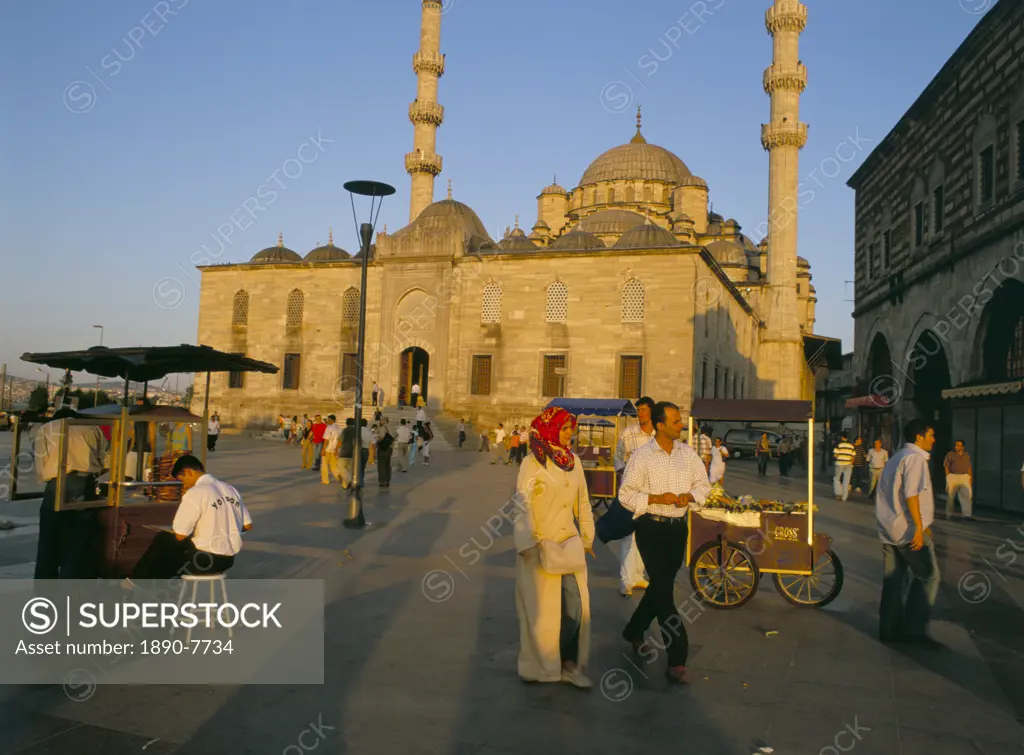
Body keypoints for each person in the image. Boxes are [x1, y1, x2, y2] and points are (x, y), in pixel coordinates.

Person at [619, 402, 710, 684]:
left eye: (680, 421)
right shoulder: (642, 456)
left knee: (659, 586)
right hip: (650, 528)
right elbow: (626, 495)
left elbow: (703, 485)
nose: (680, 425)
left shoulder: (688, 454)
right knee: (664, 592)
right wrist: (657, 498)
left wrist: (689, 496)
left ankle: (634, 630)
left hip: (677, 529)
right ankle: (678, 657)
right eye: (675, 421)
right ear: (660, 425)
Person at [513, 407, 595, 688]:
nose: (569, 434)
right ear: (549, 429)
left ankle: (568, 663)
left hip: (568, 545)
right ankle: (541, 666)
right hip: (539, 545)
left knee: (575, 606)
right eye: (563, 429)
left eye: (570, 428)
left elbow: (583, 502)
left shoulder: (574, 462)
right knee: (542, 613)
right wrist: (526, 543)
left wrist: (587, 537)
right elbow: (522, 504)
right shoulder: (531, 464)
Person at [130, 455, 251, 580]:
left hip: (204, 560)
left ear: (188, 472)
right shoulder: (230, 489)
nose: (185, 486)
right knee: (169, 550)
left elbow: (180, 535)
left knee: (164, 540)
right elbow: (247, 525)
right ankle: (152, 583)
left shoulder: (196, 493)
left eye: (183, 481)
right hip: (228, 560)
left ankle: (137, 581)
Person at [876, 419, 940, 647]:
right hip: (907, 531)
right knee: (928, 576)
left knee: (895, 580)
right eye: (931, 434)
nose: (934, 439)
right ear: (919, 437)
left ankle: (889, 630)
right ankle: (914, 630)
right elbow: (911, 495)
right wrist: (918, 528)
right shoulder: (915, 459)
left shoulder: (896, 458)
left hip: (889, 529)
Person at [34, 409, 106, 578]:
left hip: (57, 484)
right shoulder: (93, 429)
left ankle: (45, 587)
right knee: (78, 540)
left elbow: (40, 463)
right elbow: (106, 459)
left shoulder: (46, 428)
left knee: (48, 539)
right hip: (85, 485)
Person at [614, 396, 655, 598]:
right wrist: (623, 473)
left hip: (652, 493)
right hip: (632, 491)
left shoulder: (659, 435)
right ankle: (625, 580)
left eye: (644, 410)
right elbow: (618, 456)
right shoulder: (629, 433)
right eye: (639, 410)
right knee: (628, 535)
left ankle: (637, 575)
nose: (641, 414)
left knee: (645, 535)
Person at [943, 440, 974, 520]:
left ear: (962, 447)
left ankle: (967, 515)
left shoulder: (966, 455)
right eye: (956, 445)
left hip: (964, 476)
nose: (957, 447)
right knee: (950, 496)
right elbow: (946, 465)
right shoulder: (950, 454)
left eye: (959, 445)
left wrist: (970, 476)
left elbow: (969, 466)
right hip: (953, 476)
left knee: (967, 496)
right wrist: (948, 475)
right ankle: (949, 514)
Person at [320, 415, 344, 485]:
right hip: (334, 449)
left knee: (324, 465)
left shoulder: (329, 428)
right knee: (333, 465)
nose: (327, 421)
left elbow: (326, 439)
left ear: (332, 420)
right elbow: (341, 440)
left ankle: (325, 480)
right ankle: (338, 477)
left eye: (328, 420)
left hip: (328, 449)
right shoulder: (339, 428)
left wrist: (323, 449)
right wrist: (337, 449)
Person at [833, 433, 855, 500]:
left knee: (837, 479)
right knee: (846, 481)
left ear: (842, 437)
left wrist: (839, 457)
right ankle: (845, 497)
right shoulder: (851, 446)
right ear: (847, 438)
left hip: (839, 463)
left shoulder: (839, 445)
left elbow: (835, 455)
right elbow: (853, 456)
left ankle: (839, 493)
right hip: (848, 464)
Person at [377, 420, 394, 487]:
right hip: (389, 448)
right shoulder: (391, 428)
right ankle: (387, 480)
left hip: (382, 449)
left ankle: (382, 481)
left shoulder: (382, 428)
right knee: (387, 464)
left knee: (381, 465)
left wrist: (377, 441)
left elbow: (381, 437)